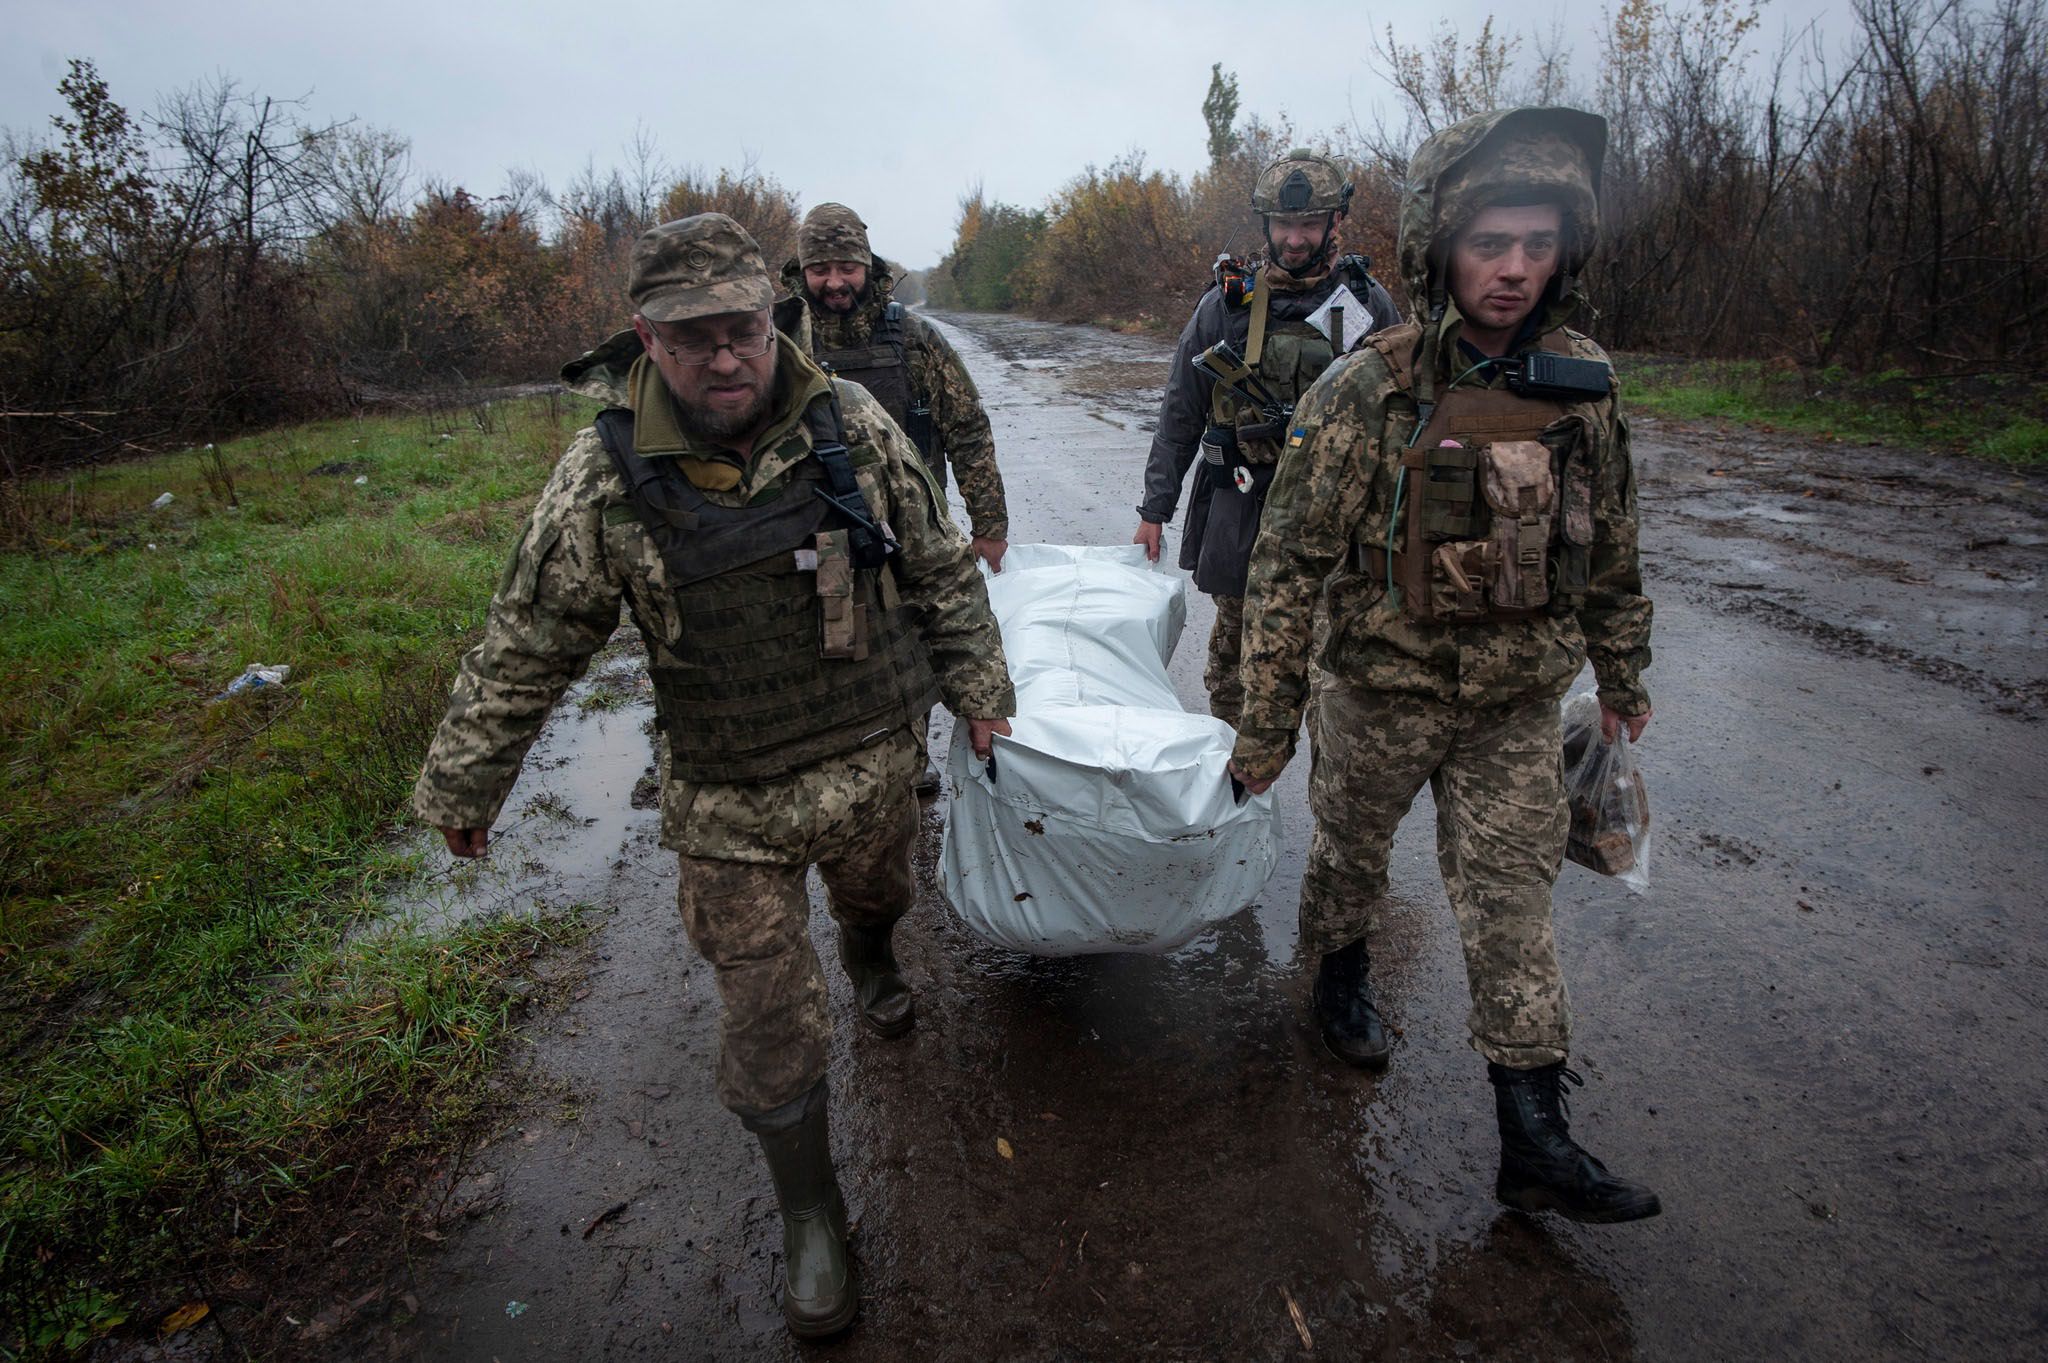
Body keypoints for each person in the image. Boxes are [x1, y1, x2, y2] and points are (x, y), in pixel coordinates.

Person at [414, 214, 1017, 1335]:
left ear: (770, 315)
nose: (725, 358)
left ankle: (871, 950)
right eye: (693, 340)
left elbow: (936, 565)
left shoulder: (853, 423)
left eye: (740, 330)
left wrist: (980, 692)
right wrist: (467, 780)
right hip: (726, 800)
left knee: (878, 893)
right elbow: (529, 632)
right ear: (646, 338)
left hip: (866, 765)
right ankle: (810, 1211)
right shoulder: (604, 474)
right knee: (766, 1013)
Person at [1228, 109, 1661, 1224]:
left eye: (1535, 243)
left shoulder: (1581, 387)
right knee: (1348, 862)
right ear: (1439, 249)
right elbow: (1284, 564)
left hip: (1513, 705)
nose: (1513, 270)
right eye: (1487, 244)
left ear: (1566, 249)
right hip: (1376, 691)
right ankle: (1337, 977)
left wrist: (1620, 674)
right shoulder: (1365, 391)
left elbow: (1609, 542)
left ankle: (1534, 1138)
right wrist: (1265, 726)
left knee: (1512, 903)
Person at [1133, 149, 1401, 726]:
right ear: (1265, 226)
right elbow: (1181, 410)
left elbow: (1404, 419)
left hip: (1336, 514)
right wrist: (1155, 507)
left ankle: (1330, 793)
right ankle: (1231, 784)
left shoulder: (1365, 304)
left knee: (1336, 667)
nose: (1296, 238)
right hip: (1243, 499)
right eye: (1284, 224)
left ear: (1336, 223)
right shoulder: (1225, 307)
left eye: (1308, 224)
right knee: (1237, 655)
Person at [776, 201, 1009, 795]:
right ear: (801, 271)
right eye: (820, 268)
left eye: (846, 268)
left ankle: (907, 756)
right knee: (822, 648)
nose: (834, 282)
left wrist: (989, 523)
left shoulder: (913, 338)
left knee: (914, 644)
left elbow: (967, 429)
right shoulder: (776, 343)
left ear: (868, 266)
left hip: (909, 526)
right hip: (805, 528)